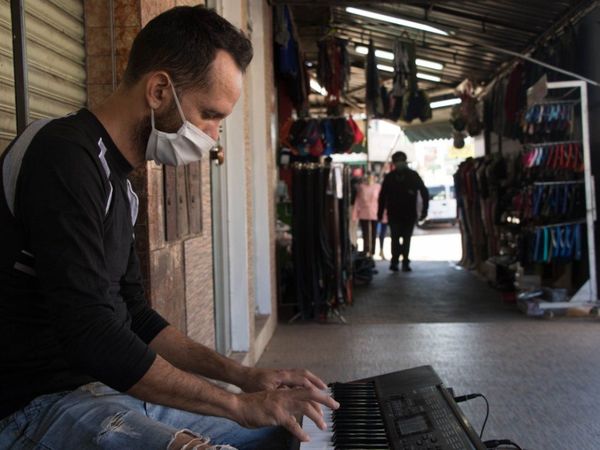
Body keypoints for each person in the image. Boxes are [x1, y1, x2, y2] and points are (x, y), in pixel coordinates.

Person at [0, 6, 338, 450]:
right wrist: (237, 405)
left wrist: (246, 378)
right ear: (159, 90)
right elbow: (90, 333)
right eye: (210, 114)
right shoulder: (63, 157)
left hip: (104, 392)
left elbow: (135, 315)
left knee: (285, 433)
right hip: (31, 407)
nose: (215, 136)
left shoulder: (121, 188)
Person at [378, 151, 429, 272]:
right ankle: (395, 261)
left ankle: (405, 261)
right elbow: (382, 196)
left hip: (409, 214)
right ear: (394, 163)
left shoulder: (413, 175)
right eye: (397, 161)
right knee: (395, 238)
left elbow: (424, 192)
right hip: (394, 214)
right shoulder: (389, 177)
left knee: (406, 239)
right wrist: (380, 213)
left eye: (401, 160)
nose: (400, 163)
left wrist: (424, 211)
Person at [353, 172, 380, 256]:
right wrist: (355, 213)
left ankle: (373, 251)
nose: (369, 179)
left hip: (375, 212)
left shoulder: (378, 187)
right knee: (365, 232)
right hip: (363, 212)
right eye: (368, 177)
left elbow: (381, 200)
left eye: (371, 177)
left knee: (374, 232)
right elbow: (357, 200)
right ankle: (366, 249)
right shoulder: (361, 187)